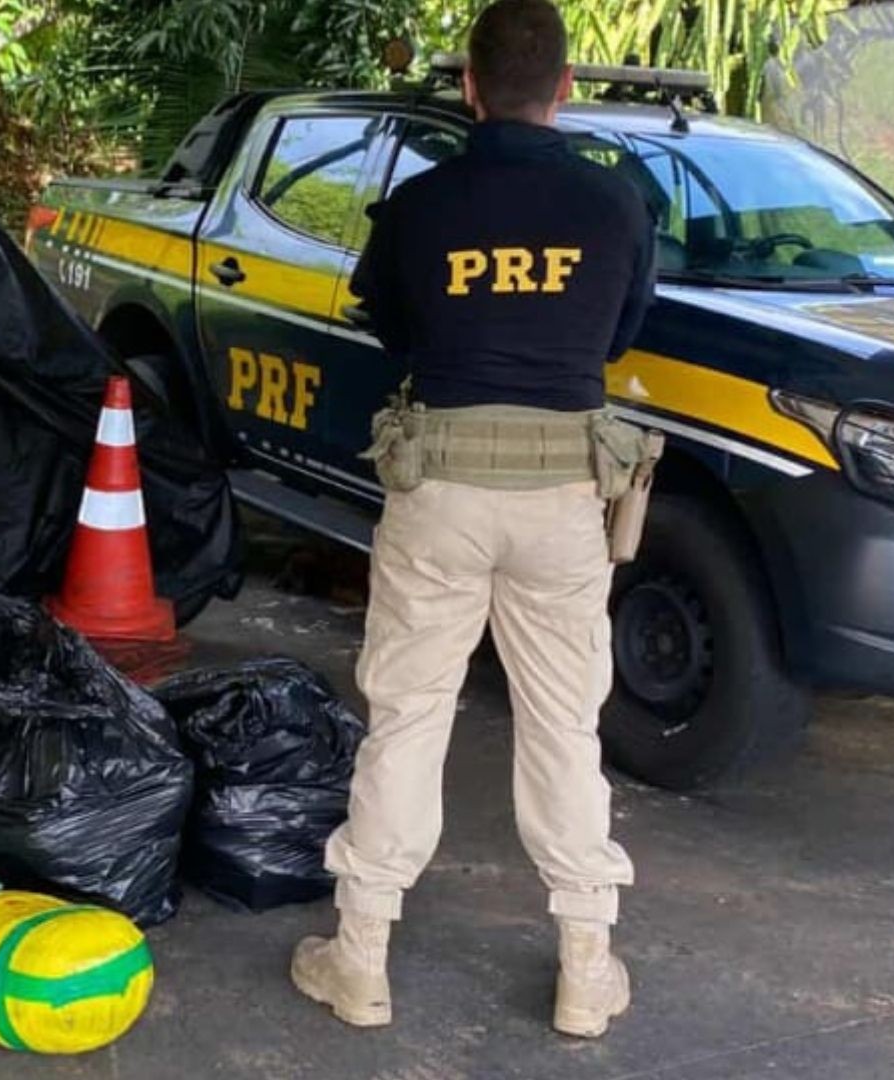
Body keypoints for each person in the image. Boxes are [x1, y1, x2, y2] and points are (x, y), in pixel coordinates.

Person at [290, 0, 656, 1040]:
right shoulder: (616, 207)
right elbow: (622, 331)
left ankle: (358, 960)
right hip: (562, 504)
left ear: (468, 88)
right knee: (563, 729)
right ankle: (587, 967)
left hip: (440, 491)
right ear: (567, 87)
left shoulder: (420, 205)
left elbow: (391, 324)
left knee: (408, 714)